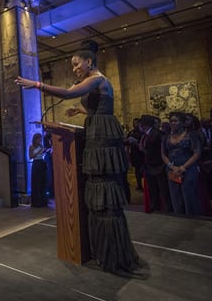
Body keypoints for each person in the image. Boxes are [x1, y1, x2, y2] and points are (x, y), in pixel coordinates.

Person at [15, 40, 140, 276]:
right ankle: (105, 250)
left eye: (76, 64)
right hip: (97, 127)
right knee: (100, 189)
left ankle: (113, 253)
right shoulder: (95, 81)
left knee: (103, 190)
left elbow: (69, 93)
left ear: (88, 61)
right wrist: (81, 110)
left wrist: (37, 84)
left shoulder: (97, 79)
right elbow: (101, 106)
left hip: (101, 133)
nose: (74, 69)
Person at [161, 112, 201, 216]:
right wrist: (172, 166)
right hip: (172, 169)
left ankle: (193, 219)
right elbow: (163, 154)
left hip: (188, 168)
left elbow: (197, 153)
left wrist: (183, 167)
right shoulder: (166, 137)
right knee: (176, 196)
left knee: (189, 196)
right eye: (171, 121)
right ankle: (179, 218)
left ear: (182, 122)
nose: (173, 123)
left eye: (175, 121)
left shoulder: (191, 135)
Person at [138, 115, 171, 213]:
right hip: (150, 166)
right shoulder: (145, 135)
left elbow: (158, 151)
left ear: (144, 125)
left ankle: (168, 210)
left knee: (163, 190)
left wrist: (143, 150)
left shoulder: (158, 134)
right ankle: (154, 209)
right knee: (152, 190)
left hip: (159, 166)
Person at [29, 133, 48, 208]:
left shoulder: (41, 146)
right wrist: (38, 150)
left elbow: (41, 154)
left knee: (42, 182)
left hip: (41, 163)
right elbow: (31, 156)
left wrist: (44, 151)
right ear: (35, 139)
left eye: (40, 138)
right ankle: (36, 202)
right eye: (39, 138)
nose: (40, 140)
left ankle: (43, 201)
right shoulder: (31, 147)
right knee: (36, 183)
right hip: (36, 163)